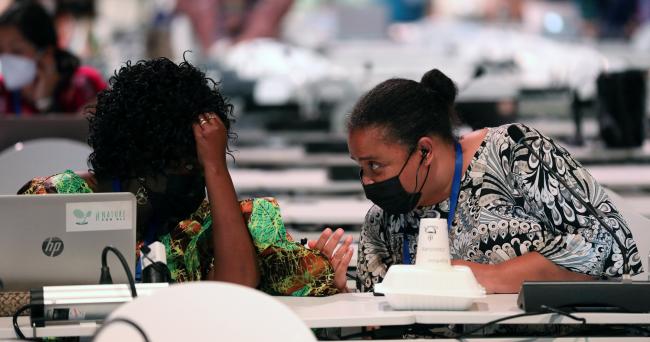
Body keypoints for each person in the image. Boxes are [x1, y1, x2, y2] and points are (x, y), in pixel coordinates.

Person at [18, 56, 352, 296]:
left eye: (200, 167)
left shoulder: (197, 228)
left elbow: (235, 287)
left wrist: (216, 167)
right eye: (186, 166)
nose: (195, 180)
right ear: (142, 161)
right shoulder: (57, 201)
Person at [339, 68, 643, 294]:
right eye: (361, 166)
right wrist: (340, 292)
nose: (367, 180)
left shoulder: (514, 153)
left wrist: (488, 276)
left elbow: (609, 247)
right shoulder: (383, 220)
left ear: (424, 151)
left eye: (376, 165)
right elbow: (377, 316)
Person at [0, 1, 105, 115]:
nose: (6, 58)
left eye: (17, 51)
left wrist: (45, 102)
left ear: (46, 53)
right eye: (0, 50)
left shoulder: (84, 84)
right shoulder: (2, 91)